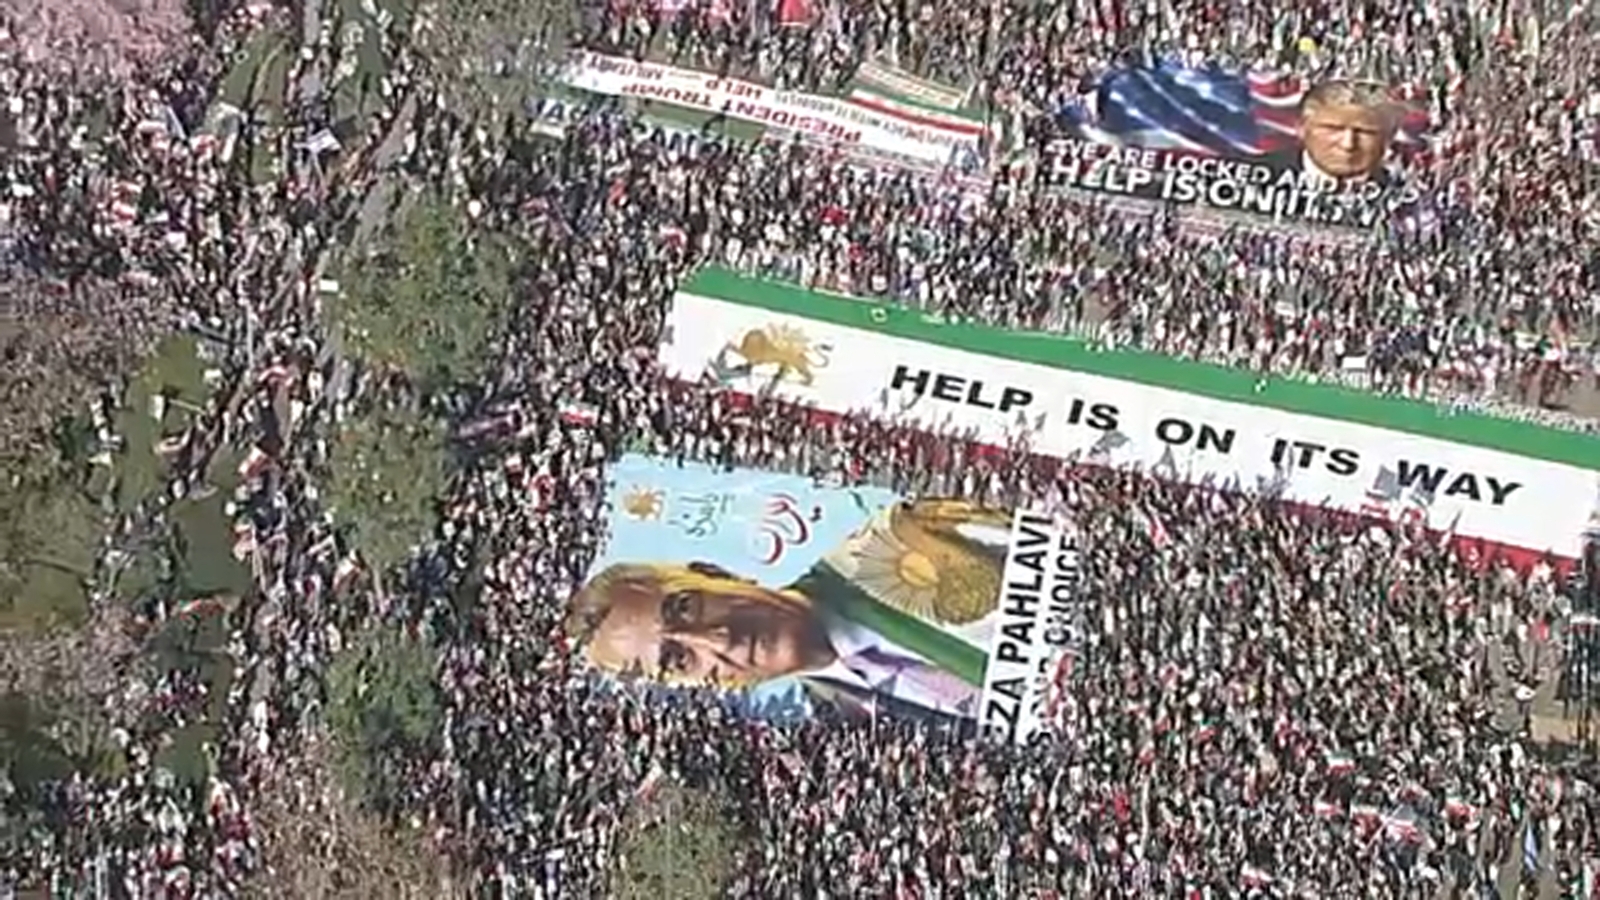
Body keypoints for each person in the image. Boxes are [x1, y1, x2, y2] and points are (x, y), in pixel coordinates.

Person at [565, 498, 1015, 718]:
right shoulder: (851, 739)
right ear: (693, 684)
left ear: (716, 571)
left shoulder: (900, 538)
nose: (717, 638)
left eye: (685, 607)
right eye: (678, 658)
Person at [1263, 78, 1401, 184]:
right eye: (1333, 129)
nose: (1348, 144)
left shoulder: (1404, 192)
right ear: (1301, 128)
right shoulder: (1258, 173)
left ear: (1389, 136)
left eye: (1365, 132)